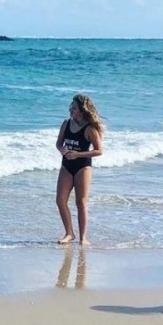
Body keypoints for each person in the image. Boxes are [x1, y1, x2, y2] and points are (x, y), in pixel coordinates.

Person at [55, 93, 104, 246]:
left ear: (82, 110)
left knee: (80, 202)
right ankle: (69, 233)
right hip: (66, 165)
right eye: (70, 107)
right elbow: (58, 143)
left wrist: (78, 154)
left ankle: (83, 237)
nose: (70, 110)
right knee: (60, 200)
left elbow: (99, 150)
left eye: (74, 108)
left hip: (83, 166)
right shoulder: (66, 124)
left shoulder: (90, 129)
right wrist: (63, 151)